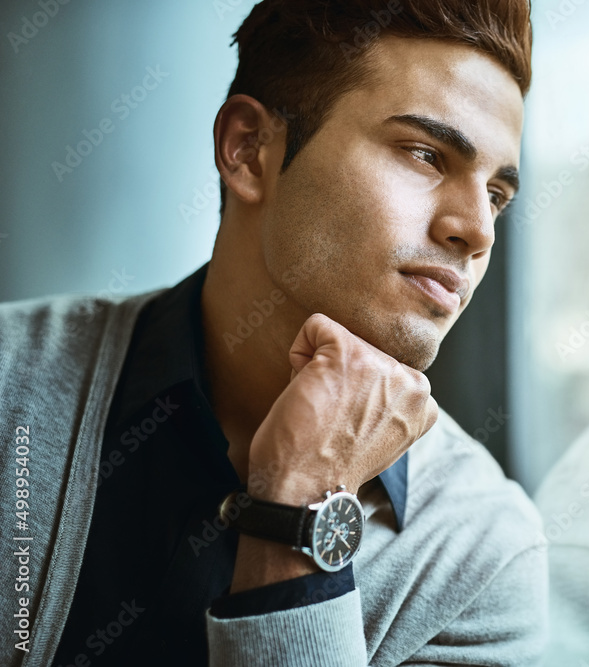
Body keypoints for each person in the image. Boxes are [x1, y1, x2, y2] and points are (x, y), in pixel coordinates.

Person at [0, 1, 545, 665]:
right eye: (425, 154)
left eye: (496, 194)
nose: (477, 230)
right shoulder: (10, 381)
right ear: (249, 150)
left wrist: (300, 506)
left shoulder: (483, 551)